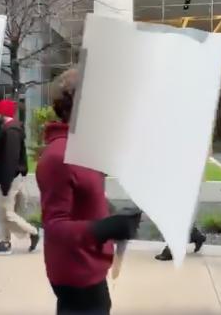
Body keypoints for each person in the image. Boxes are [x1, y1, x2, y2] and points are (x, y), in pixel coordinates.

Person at [36, 69, 141, 315]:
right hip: (75, 273)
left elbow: (86, 198)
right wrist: (104, 228)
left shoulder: (84, 150)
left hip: (91, 266)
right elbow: (55, 225)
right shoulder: (58, 156)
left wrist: (116, 216)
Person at [0, 99, 40, 256]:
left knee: (7, 214)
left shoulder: (11, 132)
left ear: (2, 113)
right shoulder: (11, 130)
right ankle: (4, 242)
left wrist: (5, 184)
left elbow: (10, 160)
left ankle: (32, 232)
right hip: (11, 177)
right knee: (4, 212)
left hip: (9, 178)